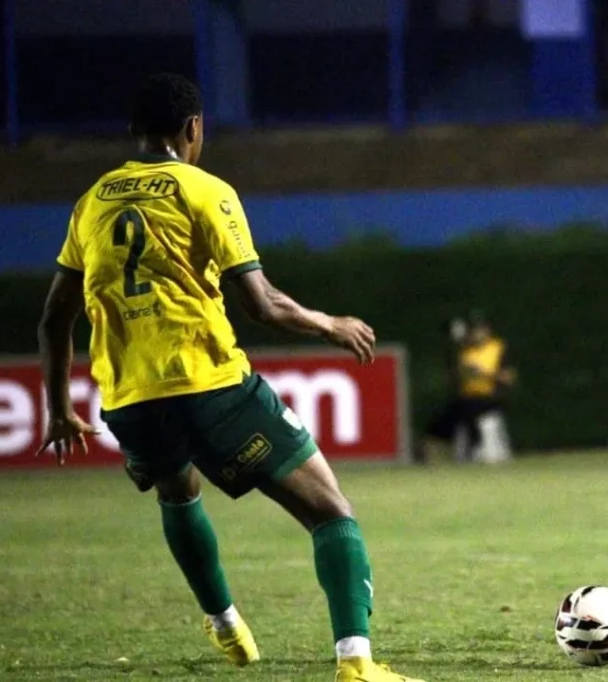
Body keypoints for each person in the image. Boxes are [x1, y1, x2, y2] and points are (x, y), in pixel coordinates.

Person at [35, 73, 424, 682]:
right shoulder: (204, 189)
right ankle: (357, 662)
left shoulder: (92, 201)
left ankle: (225, 625)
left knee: (177, 492)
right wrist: (329, 323)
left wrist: (58, 409)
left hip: (129, 399)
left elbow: (53, 319)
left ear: (133, 131)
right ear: (194, 129)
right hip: (210, 384)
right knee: (330, 511)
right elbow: (261, 303)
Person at [417, 311, 515, 463]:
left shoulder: (498, 348)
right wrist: (462, 372)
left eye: (479, 329)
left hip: (489, 400)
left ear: (487, 329)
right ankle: (440, 454)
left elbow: (508, 378)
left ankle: (481, 451)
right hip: (467, 400)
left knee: (488, 443)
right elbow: (454, 377)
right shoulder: (465, 350)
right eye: (473, 330)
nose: (475, 333)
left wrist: (483, 373)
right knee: (447, 420)